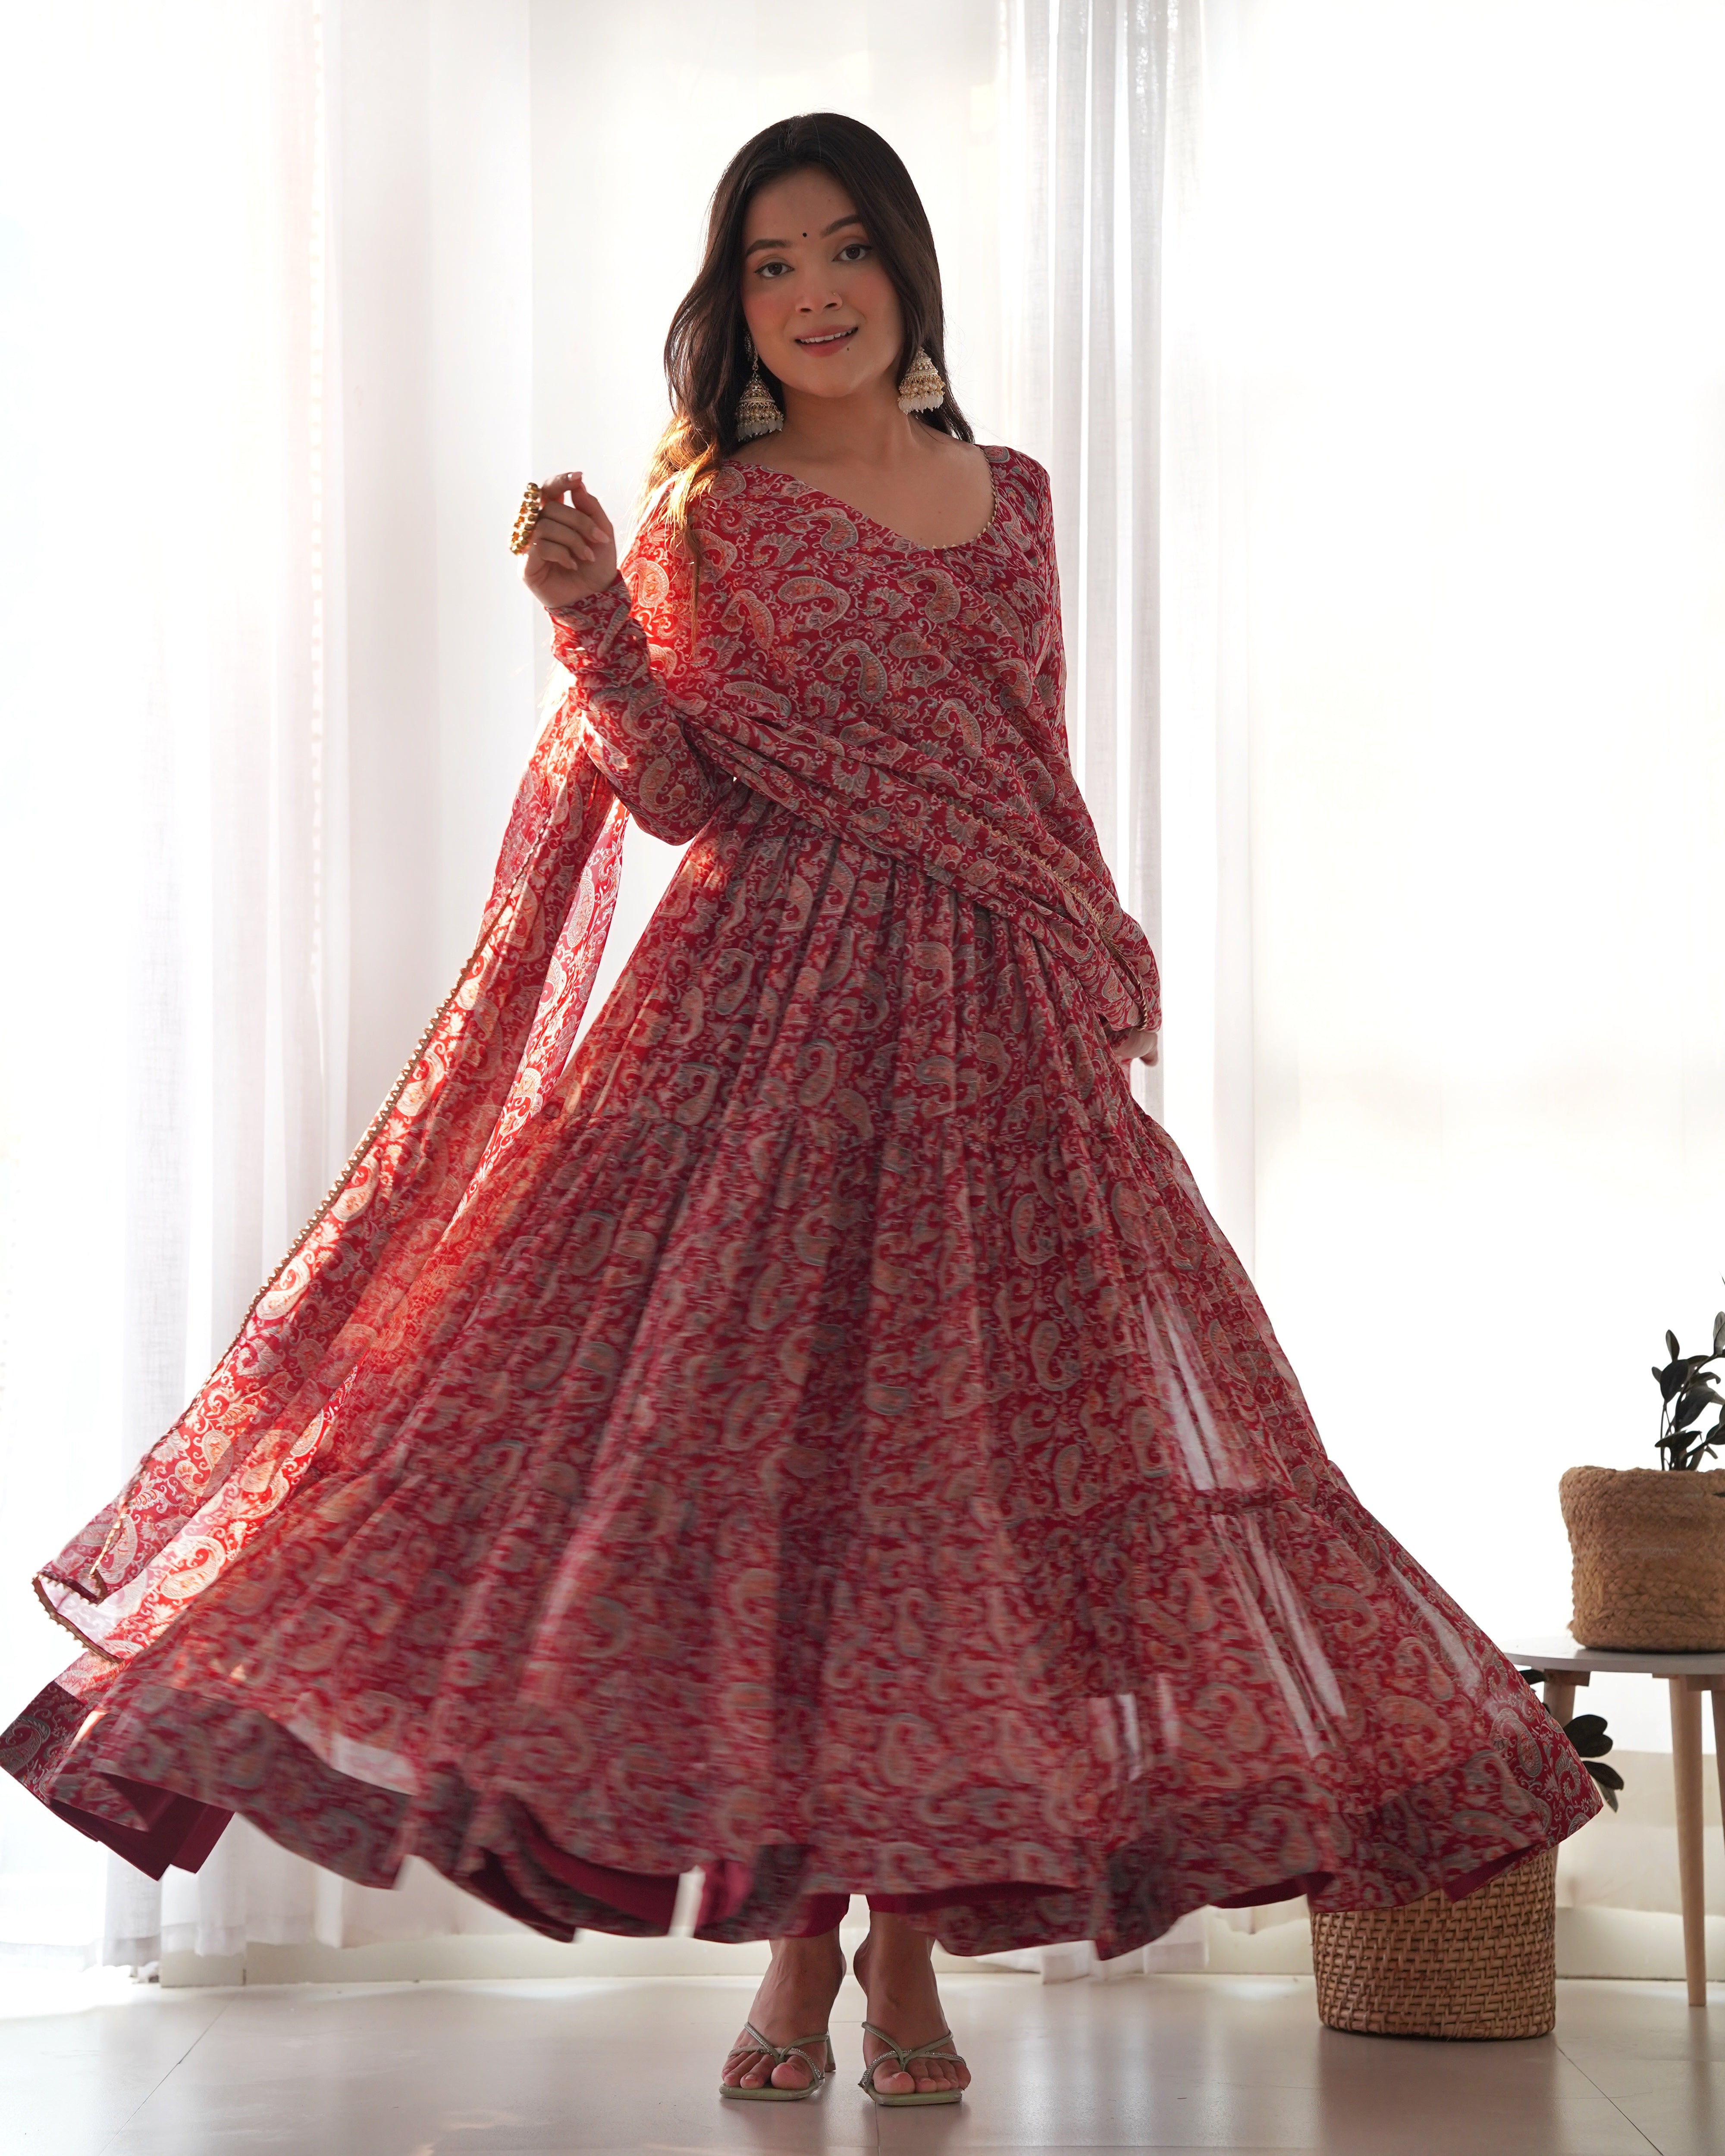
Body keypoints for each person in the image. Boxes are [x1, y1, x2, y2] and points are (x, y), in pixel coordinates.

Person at [1, 113, 1597, 2110]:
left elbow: (1026, 760)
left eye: (845, 251)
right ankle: (791, 1949)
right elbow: (678, 791)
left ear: (909, 275)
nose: (815, 291)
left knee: (955, 1493)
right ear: (732, 302)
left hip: (994, 1032)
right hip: (757, 1023)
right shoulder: (714, 518)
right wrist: (590, 609)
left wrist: (1096, 952)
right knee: (759, 1477)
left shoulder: (1009, 499)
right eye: (771, 263)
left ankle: (907, 1956)